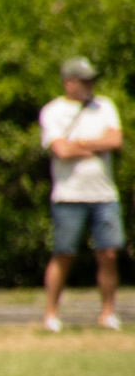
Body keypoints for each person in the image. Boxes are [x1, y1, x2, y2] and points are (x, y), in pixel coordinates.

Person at [38, 56, 122, 332]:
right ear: (69, 82)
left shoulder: (105, 106)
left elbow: (115, 140)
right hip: (68, 195)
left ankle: (107, 313)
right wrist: (96, 146)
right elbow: (60, 150)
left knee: (108, 253)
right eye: (85, 80)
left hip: (104, 194)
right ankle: (51, 314)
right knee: (63, 253)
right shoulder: (52, 111)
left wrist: (80, 144)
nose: (91, 85)